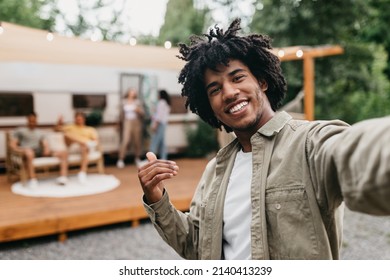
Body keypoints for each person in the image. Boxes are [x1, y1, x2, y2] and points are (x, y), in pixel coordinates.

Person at [137, 18, 390, 260]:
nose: (229, 92)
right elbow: (196, 244)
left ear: (262, 81)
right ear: (209, 106)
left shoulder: (309, 143)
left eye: (237, 78)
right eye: (215, 89)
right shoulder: (215, 170)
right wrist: (157, 198)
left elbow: (359, 153)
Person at [9, 112, 68, 188]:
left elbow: (45, 143)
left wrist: (46, 149)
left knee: (63, 153)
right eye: (31, 121)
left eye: (34, 121)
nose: (33, 123)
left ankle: (63, 178)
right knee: (29, 152)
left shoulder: (40, 132)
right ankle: (33, 180)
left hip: (38, 151)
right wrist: (22, 150)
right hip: (26, 152)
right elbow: (12, 145)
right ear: (28, 120)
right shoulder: (20, 130)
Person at [56, 111, 99, 184]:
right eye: (76, 119)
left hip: (85, 147)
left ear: (84, 119)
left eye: (79, 119)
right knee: (66, 135)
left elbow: (96, 141)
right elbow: (56, 129)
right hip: (73, 146)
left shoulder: (90, 129)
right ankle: (63, 177)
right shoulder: (70, 126)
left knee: (84, 146)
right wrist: (59, 122)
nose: (77, 120)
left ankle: (82, 173)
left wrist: (86, 144)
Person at [116, 88, 144, 168]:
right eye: (131, 91)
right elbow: (120, 114)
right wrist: (118, 123)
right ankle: (121, 159)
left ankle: (137, 158)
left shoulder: (138, 102)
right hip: (127, 122)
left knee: (137, 141)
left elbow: (143, 113)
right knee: (125, 140)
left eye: (134, 92)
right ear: (128, 92)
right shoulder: (123, 102)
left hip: (136, 122)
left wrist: (138, 110)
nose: (133, 93)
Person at [149, 89, 171, 160]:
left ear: (161, 95)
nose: (157, 96)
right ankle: (163, 158)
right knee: (162, 143)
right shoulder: (166, 103)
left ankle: (149, 159)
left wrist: (155, 125)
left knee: (154, 141)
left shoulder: (161, 103)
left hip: (159, 124)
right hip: (163, 124)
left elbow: (159, 116)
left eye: (158, 94)